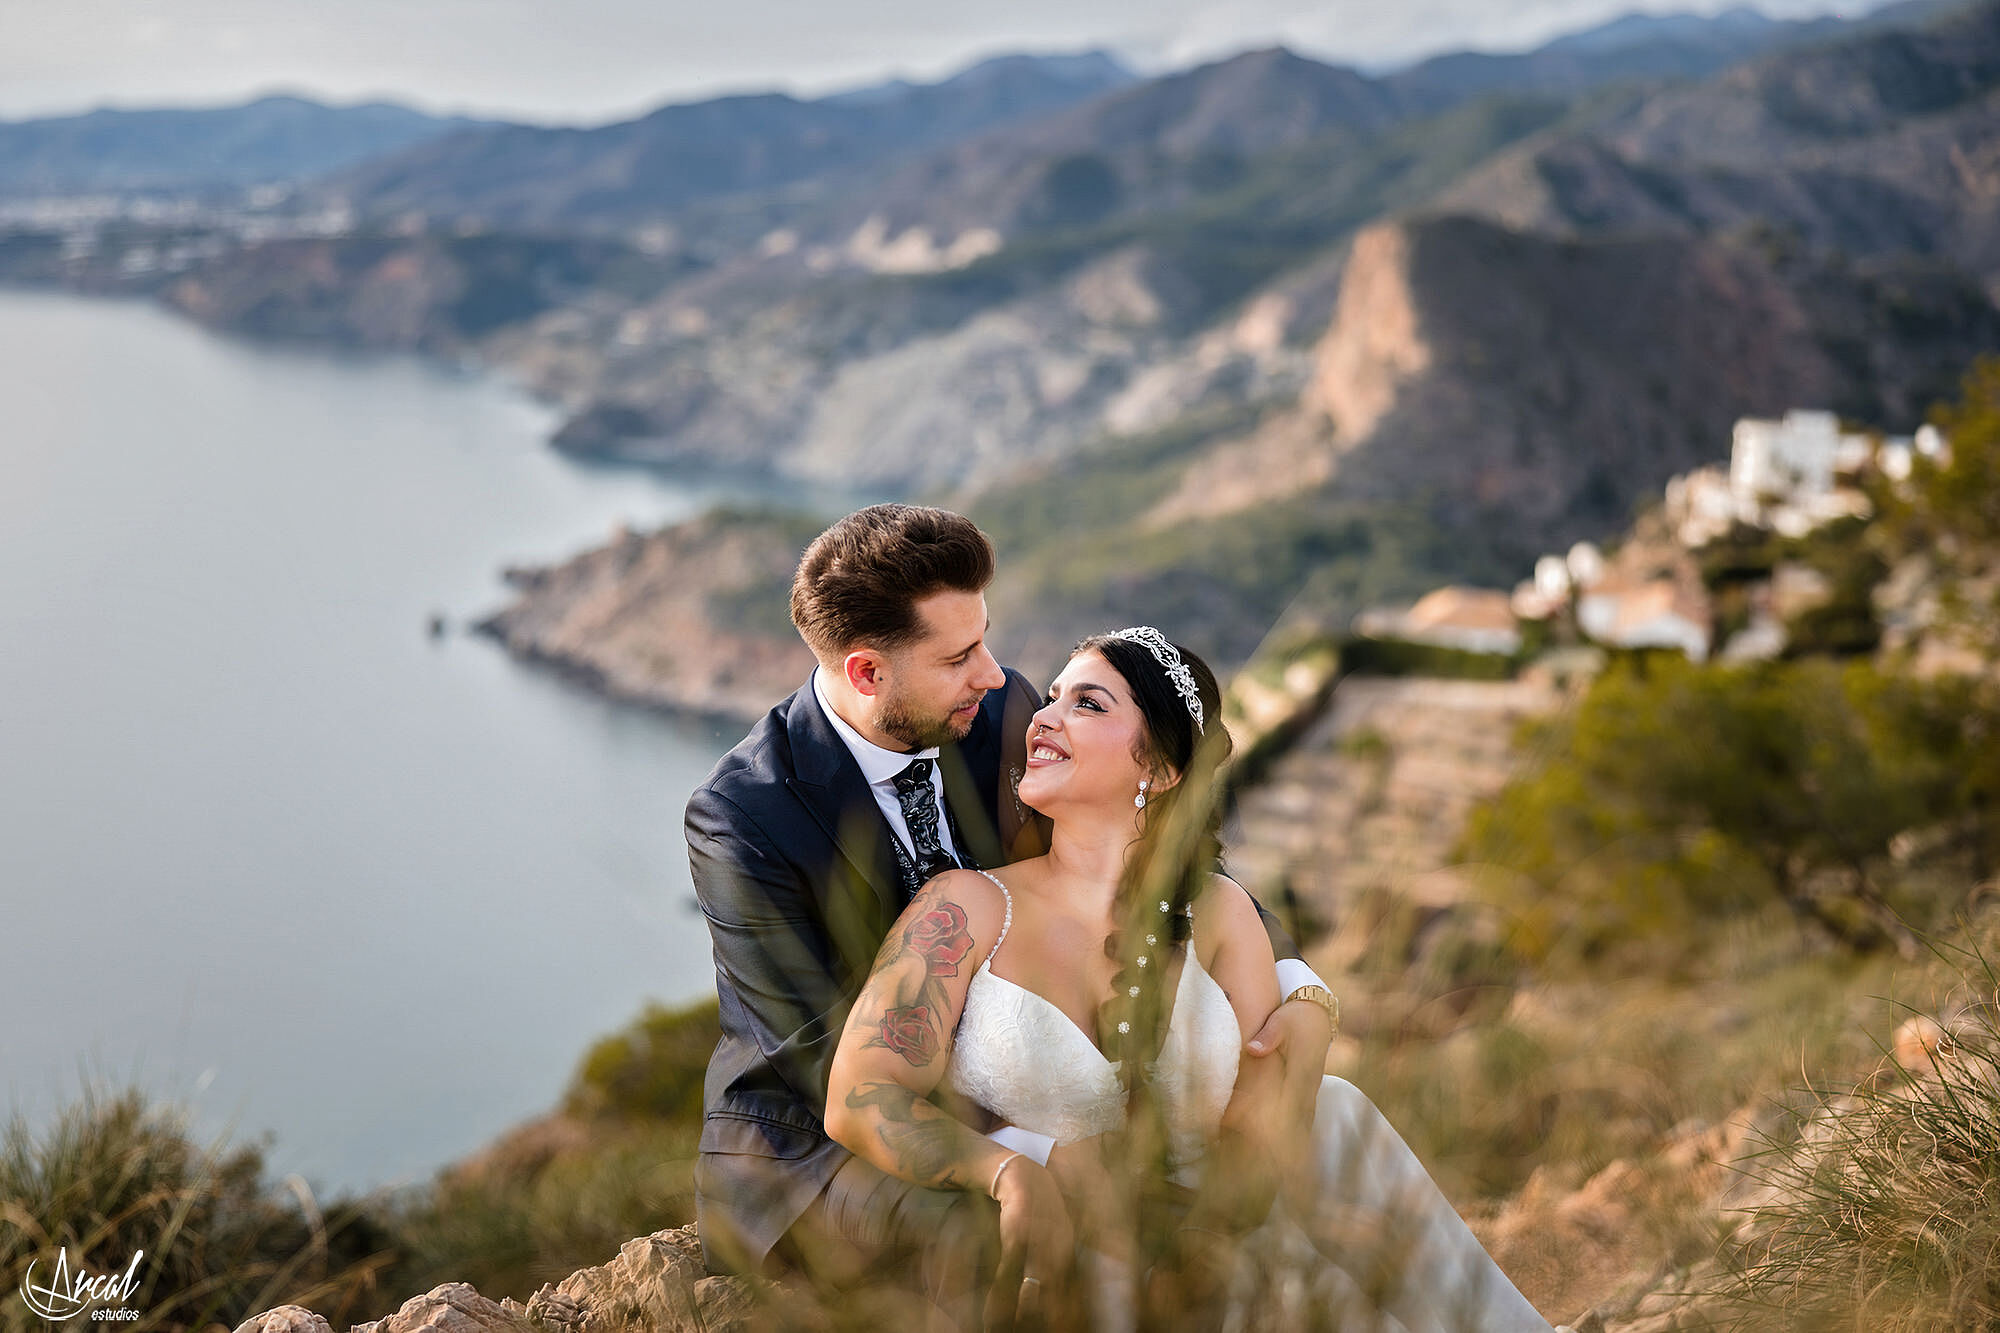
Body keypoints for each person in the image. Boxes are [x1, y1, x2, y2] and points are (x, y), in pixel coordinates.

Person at [686, 506, 1341, 1319]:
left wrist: (1300, 993)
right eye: (960, 655)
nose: (995, 676)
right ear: (866, 673)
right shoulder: (745, 814)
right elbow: (825, 1066)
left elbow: (1160, 876)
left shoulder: (998, 716)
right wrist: (1036, 1149)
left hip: (1040, 1102)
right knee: (1019, 1238)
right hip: (810, 1153)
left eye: (987, 638)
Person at [824, 627, 1559, 1332]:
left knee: (1333, 1116)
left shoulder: (1219, 910)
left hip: (1220, 1228)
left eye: (1088, 703)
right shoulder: (965, 907)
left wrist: (1305, 1018)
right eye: (1051, 697)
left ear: (1162, 769)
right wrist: (1008, 1171)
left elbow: (1265, 1121)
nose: (1042, 718)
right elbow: (860, 1093)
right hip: (1078, 1251)